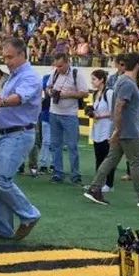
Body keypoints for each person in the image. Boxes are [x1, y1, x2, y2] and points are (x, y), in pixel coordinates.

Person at [0, 37, 42, 239]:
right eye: (4, 57)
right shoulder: (14, 76)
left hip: (18, 133)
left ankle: (29, 214)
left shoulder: (29, 76)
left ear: (22, 54)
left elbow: (18, 98)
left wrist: (2, 101)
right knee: (1, 180)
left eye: (10, 57)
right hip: (8, 134)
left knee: (1, 179)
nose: (6, 61)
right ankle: (2, 228)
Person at [83, 53, 139, 209]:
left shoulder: (121, 81)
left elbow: (122, 108)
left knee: (111, 159)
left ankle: (95, 188)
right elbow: (119, 106)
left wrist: (117, 128)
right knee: (136, 162)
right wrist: (119, 129)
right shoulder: (128, 84)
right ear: (138, 65)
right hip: (128, 131)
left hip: (121, 128)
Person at [47, 51, 88, 185]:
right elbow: (48, 87)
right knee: (55, 145)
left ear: (67, 63)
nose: (58, 69)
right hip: (54, 112)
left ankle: (75, 174)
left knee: (72, 146)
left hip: (70, 114)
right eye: (56, 66)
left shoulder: (76, 74)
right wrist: (50, 92)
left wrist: (68, 94)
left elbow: (85, 93)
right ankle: (57, 173)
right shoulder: (54, 73)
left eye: (60, 66)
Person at [88, 69, 114, 191]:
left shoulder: (109, 93)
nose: (92, 82)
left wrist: (99, 115)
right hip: (97, 127)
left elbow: (113, 111)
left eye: (94, 79)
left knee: (107, 157)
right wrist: (91, 111)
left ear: (101, 80)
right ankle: (97, 182)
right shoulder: (95, 94)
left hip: (106, 127)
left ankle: (109, 184)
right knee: (98, 156)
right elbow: (96, 107)